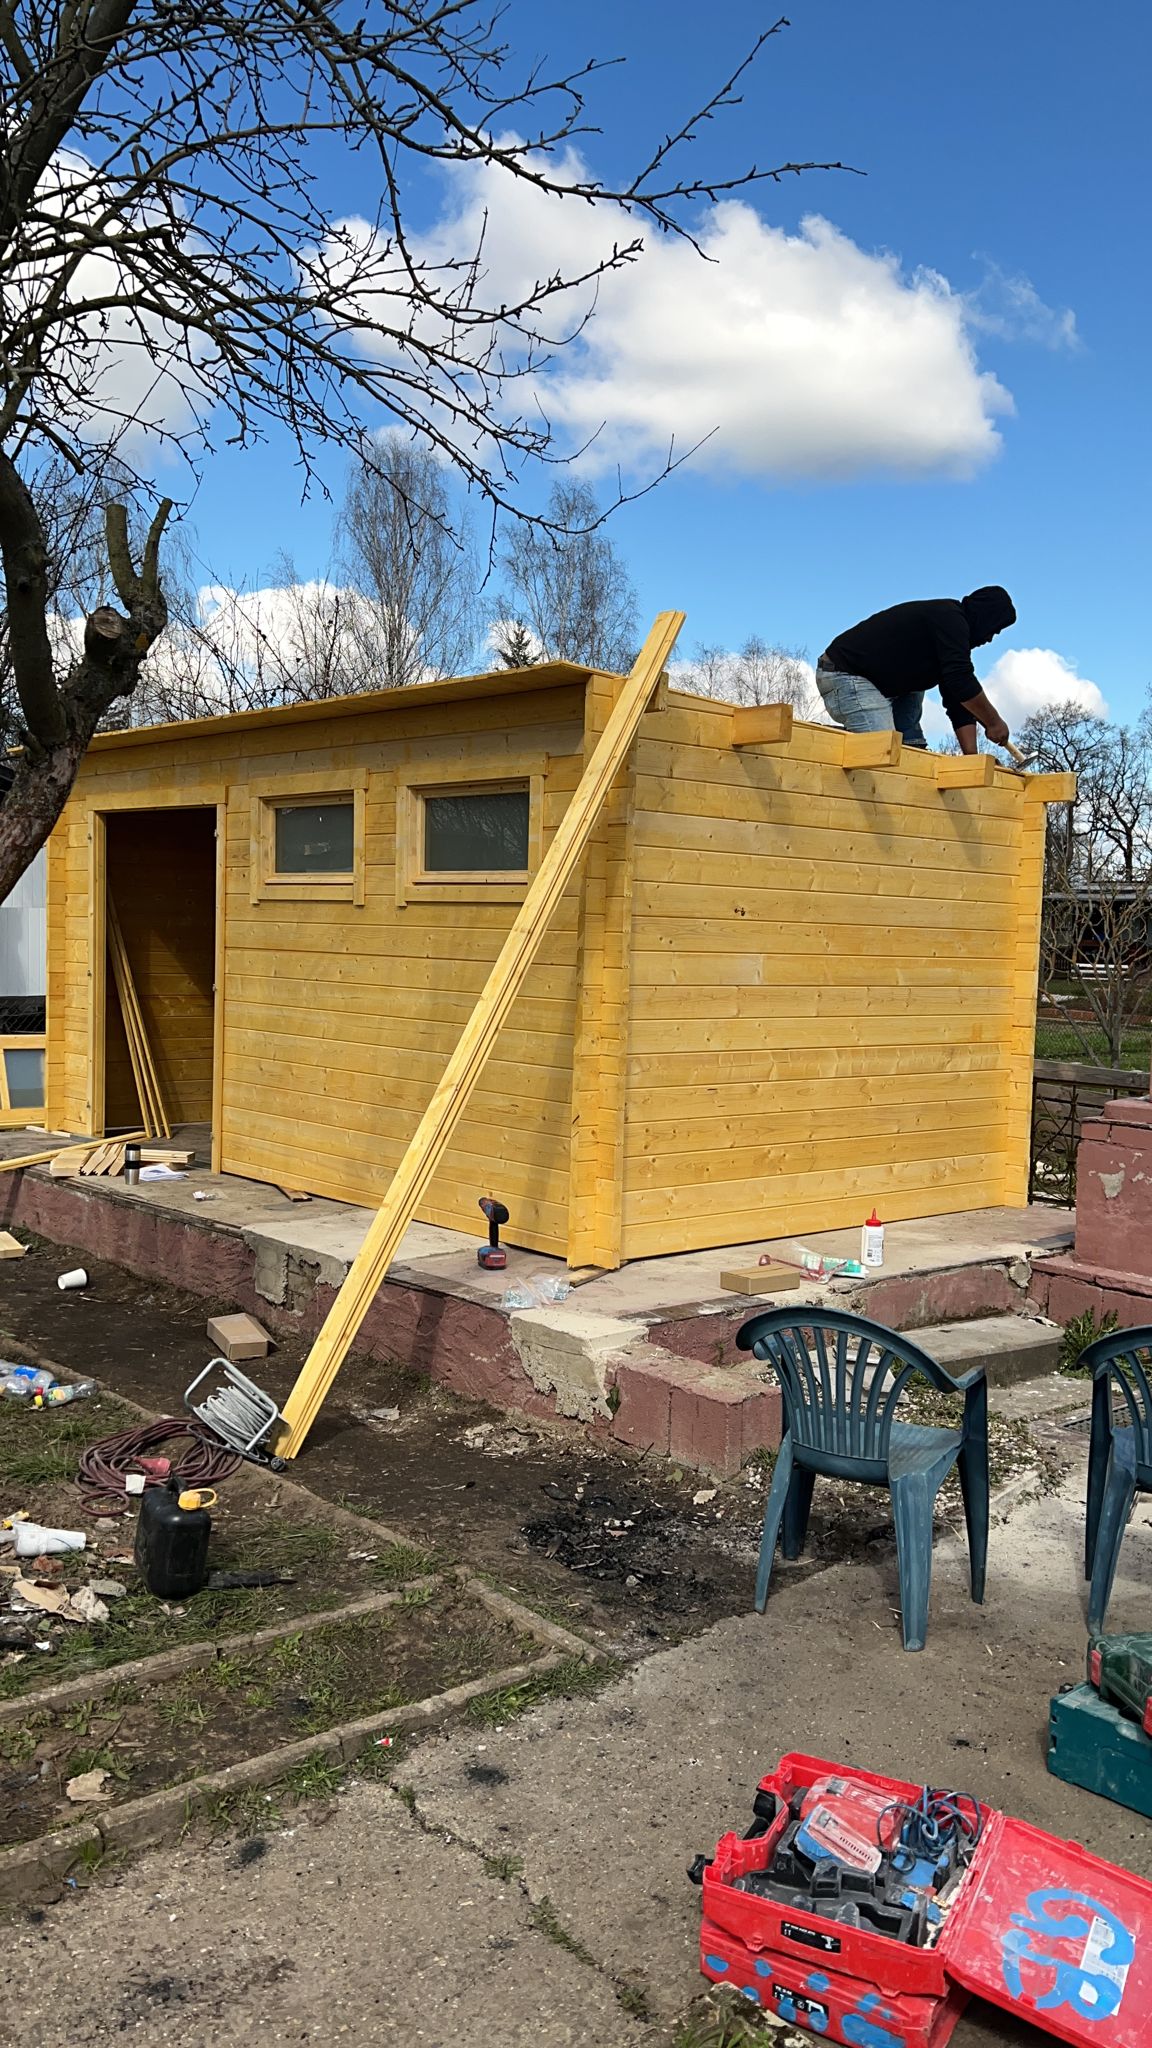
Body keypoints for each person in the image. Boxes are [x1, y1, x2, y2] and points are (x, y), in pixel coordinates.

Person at [816, 586, 1016, 754]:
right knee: (882, 752)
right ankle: (828, 744)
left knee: (913, 752)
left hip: (887, 685)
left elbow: (958, 700)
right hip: (844, 674)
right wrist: (994, 721)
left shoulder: (951, 640)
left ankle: (891, 740)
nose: (989, 639)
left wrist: (973, 761)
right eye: (993, 630)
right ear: (985, 618)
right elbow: (961, 680)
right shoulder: (949, 617)